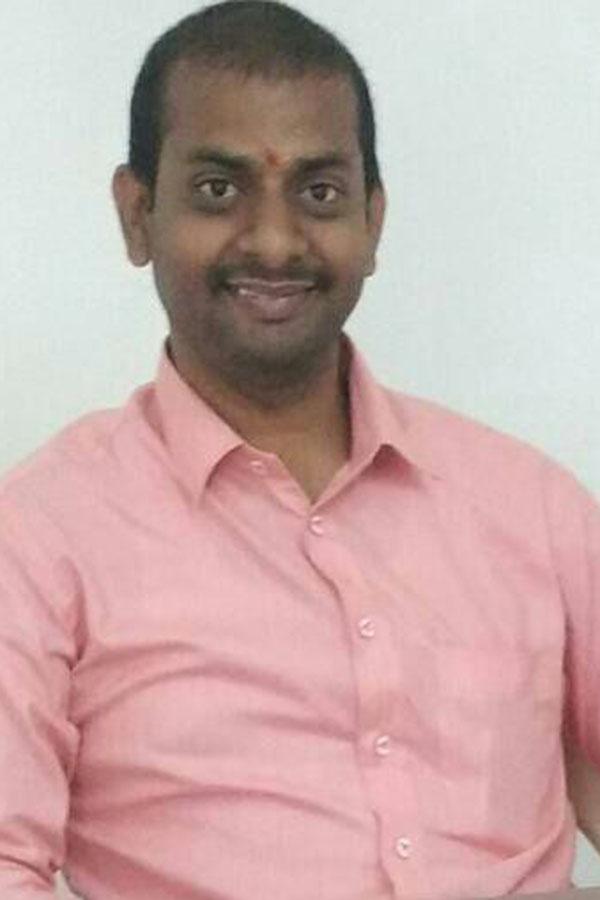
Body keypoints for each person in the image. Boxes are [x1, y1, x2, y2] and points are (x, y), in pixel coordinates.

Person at [1, 2, 599, 898]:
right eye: (219, 190)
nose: (275, 242)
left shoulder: (533, 508)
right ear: (137, 214)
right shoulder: (39, 538)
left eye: (319, 193)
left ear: (373, 220)